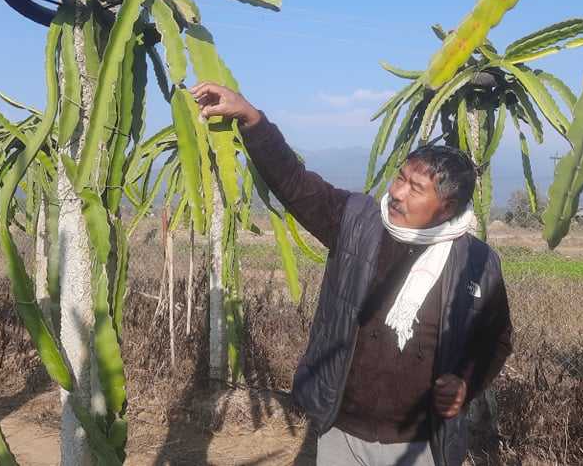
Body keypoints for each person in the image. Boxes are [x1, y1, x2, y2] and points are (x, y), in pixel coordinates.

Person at [190, 82, 512, 466]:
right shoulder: (358, 221)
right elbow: (295, 184)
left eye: (416, 188)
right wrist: (251, 118)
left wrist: (466, 383)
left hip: (421, 444)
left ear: (447, 208)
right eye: (400, 177)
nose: (397, 193)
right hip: (341, 431)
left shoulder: (477, 263)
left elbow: (496, 339)